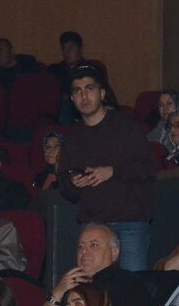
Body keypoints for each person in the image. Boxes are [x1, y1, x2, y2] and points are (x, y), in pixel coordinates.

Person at [57, 65, 155, 273]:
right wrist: (74, 183)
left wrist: (112, 171)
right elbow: (64, 184)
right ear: (72, 99)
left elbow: (147, 168)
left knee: (131, 289)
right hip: (92, 224)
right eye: (77, 91)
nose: (84, 96)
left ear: (102, 93)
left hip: (130, 224)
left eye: (89, 89)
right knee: (92, 291)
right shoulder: (72, 136)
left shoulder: (125, 127)